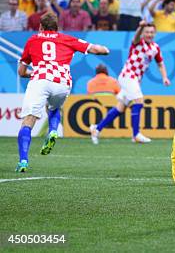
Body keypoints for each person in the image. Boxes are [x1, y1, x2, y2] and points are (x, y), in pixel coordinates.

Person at [16, 12, 109, 172]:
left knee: (28, 120)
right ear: (57, 27)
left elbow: (21, 71)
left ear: (40, 27)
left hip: (40, 81)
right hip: (62, 82)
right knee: (53, 108)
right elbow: (96, 49)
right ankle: (53, 130)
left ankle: (23, 161)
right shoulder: (66, 38)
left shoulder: (33, 40)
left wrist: (37, 71)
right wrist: (105, 50)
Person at [90, 21, 170, 144]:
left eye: (151, 32)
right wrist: (140, 27)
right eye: (147, 32)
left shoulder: (155, 48)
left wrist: (164, 77)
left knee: (120, 108)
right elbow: (136, 37)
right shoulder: (138, 42)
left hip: (135, 79)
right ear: (143, 33)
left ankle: (96, 128)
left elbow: (160, 64)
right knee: (139, 100)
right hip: (128, 76)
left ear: (155, 33)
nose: (149, 34)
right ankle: (135, 134)